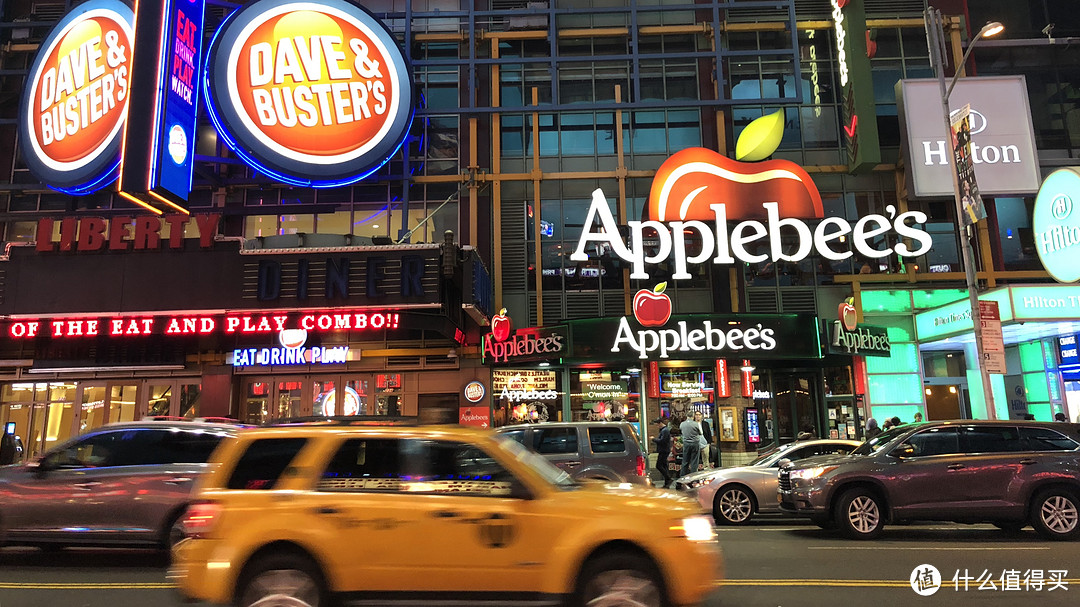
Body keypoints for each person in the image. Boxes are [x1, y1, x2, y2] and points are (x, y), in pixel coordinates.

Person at [651, 418, 673, 488]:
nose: (657, 426)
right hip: (664, 450)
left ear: (660, 423)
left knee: (659, 465)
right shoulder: (664, 430)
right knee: (664, 465)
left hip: (664, 450)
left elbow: (662, 441)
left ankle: (668, 478)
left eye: (657, 425)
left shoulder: (665, 431)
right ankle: (667, 483)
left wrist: (653, 439)